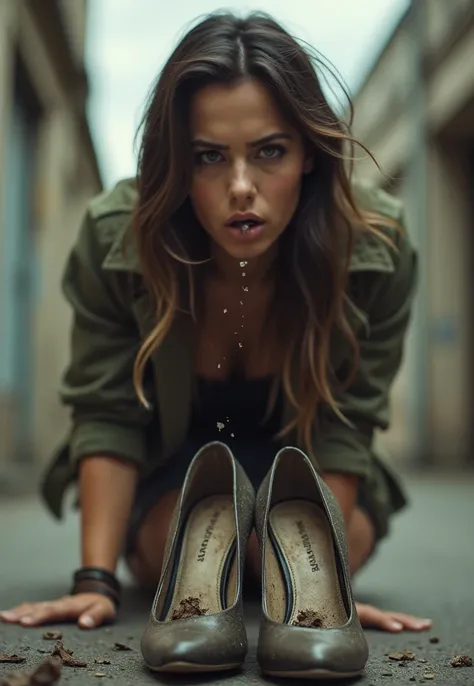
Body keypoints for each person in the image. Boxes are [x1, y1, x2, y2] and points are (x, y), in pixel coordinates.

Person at [1, 11, 431, 635]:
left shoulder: (373, 247)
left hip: (306, 467)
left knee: (267, 561)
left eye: (269, 152)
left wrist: (324, 580)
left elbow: (345, 420)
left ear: (309, 152)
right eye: (208, 157)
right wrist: (95, 582)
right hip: (178, 467)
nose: (240, 187)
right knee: (185, 556)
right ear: (178, 161)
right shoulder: (117, 237)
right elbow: (108, 411)